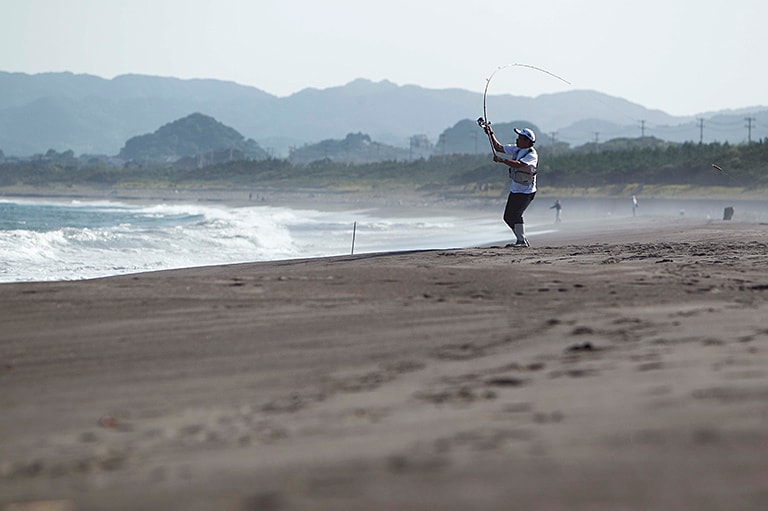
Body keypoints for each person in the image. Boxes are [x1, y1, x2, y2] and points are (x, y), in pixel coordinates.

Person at [482, 124, 538, 247]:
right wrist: (490, 133)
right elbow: (498, 147)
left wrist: (502, 160)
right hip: (515, 189)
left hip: (527, 192)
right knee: (507, 217)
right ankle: (521, 239)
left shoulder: (531, 154)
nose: (517, 139)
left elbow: (519, 164)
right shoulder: (516, 149)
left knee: (516, 215)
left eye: (520, 137)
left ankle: (521, 241)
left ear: (527, 141)